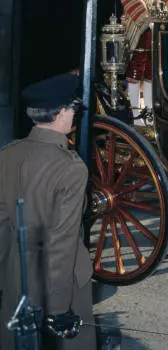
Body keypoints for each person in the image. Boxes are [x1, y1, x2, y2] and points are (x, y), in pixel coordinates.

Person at [0, 73, 96, 350]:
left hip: (16, 273)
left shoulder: (8, 154)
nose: (73, 116)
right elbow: (62, 243)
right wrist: (59, 309)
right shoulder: (70, 168)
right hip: (60, 283)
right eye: (72, 109)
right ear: (60, 113)